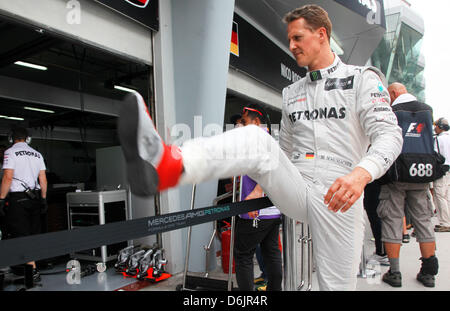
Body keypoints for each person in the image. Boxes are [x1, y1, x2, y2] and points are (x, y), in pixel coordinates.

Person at [117, 4, 403, 290]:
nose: (291, 45)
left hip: (339, 193)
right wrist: (262, 186)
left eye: (297, 38)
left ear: (321, 34)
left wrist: (361, 174)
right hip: (299, 186)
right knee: (257, 139)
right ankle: (167, 166)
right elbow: (284, 152)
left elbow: (390, 135)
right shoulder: (292, 92)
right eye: (289, 39)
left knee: (335, 287)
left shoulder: (361, 79)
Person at [379, 83, 439, 288]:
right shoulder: (427, 110)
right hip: (422, 174)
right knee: (424, 220)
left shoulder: (392, 111)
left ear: (394, 93)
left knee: (392, 220)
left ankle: (394, 272)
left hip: (396, 174)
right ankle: (428, 272)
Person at [233, 106, 282, 291]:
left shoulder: (259, 140)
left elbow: (270, 167)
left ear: (256, 122)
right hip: (272, 209)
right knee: (271, 253)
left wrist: (257, 191)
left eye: (244, 122)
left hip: (256, 209)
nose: (240, 126)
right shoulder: (269, 139)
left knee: (243, 255)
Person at [0, 127, 48, 282]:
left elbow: (8, 177)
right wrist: (44, 198)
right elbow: (43, 179)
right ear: (28, 139)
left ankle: (31, 272)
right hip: (35, 198)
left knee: (21, 235)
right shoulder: (37, 154)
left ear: (11, 138)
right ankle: (31, 270)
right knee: (33, 235)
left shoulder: (10, 152)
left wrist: (1, 198)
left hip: (18, 198)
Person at [432, 117, 450, 232]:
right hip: (449, 170)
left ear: (440, 127)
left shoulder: (439, 139)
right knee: (447, 196)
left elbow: (435, 154)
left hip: (442, 169)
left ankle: (445, 222)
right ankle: (447, 220)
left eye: (436, 126)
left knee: (439, 195)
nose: (435, 128)